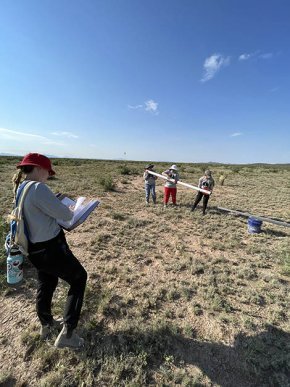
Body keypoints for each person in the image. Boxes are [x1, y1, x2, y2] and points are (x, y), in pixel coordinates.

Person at [12, 153, 87, 349]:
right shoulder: (38, 188)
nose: (48, 176)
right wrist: (72, 208)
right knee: (79, 278)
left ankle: (46, 324)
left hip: (33, 250)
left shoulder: (22, 188)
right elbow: (65, 214)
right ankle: (68, 335)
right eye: (48, 171)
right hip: (51, 248)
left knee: (47, 282)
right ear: (38, 168)